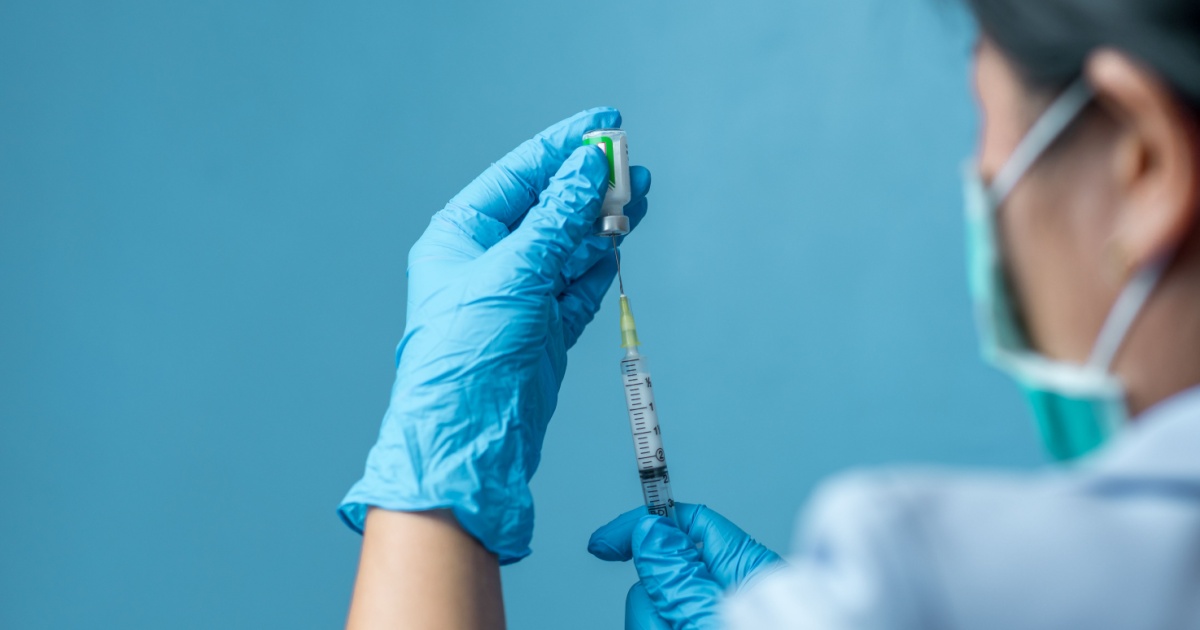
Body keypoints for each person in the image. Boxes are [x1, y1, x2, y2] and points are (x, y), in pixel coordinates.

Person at [338, 0, 1200, 627]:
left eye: (989, 124)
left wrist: (435, 484)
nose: (983, 185)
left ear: (1145, 162)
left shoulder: (913, 583)